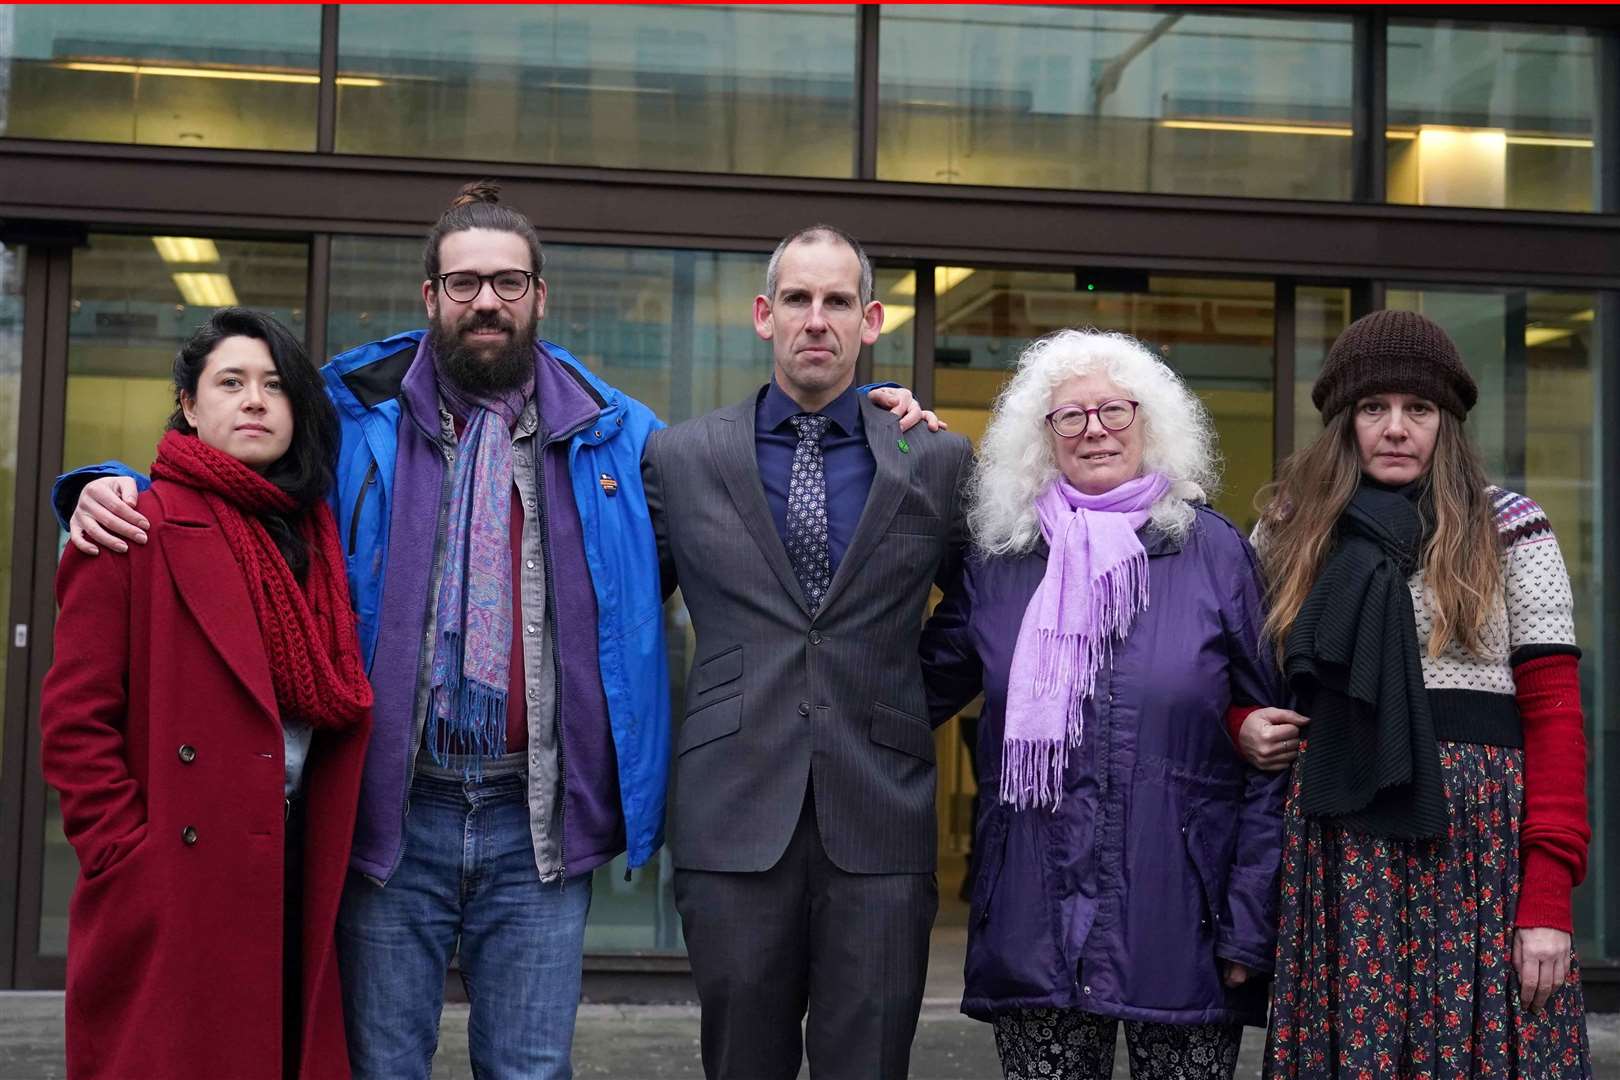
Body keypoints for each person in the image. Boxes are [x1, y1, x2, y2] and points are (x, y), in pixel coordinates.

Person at [58, 190, 935, 1079]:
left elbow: (759, 486)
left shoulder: (620, 437)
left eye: (509, 281)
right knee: (380, 1066)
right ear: (430, 296)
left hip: (537, 828)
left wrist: (874, 417)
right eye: (466, 281)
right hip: (387, 818)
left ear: (540, 297)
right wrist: (110, 482)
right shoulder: (352, 415)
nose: (488, 301)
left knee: (527, 1071)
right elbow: (236, 455)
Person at [641, 224, 973, 1080]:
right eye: (797, 299)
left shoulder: (931, 457)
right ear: (764, 315)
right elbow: (622, 617)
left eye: (836, 302)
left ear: (871, 322)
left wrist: (895, 697)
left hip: (880, 816)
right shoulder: (681, 459)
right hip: (733, 819)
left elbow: (981, 613)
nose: (815, 320)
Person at [918, 328, 1292, 1080]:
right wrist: (884, 451)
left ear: (1151, 424)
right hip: (1032, 924)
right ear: (1042, 439)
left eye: (1114, 411)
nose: (1094, 430)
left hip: (1180, 928)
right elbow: (906, 694)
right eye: (1070, 416)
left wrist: (1249, 927)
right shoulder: (1001, 560)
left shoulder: (1213, 551)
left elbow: (1273, 750)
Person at [1255, 310, 1592, 1077]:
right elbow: (1229, 674)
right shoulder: (1288, 530)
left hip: (1482, 857)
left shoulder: (1511, 527)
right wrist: (1245, 720)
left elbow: (1556, 718)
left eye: (1419, 409)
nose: (1396, 428)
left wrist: (1546, 894)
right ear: (1344, 420)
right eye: (1374, 408)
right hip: (1343, 851)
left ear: (1448, 421)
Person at [39, 308, 373, 1080]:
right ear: (189, 404)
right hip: (181, 870)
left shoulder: (318, 536)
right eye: (231, 382)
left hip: (299, 855)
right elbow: (74, 721)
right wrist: (125, 856)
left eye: (275, 386)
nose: (255, 400)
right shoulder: (130, 524)